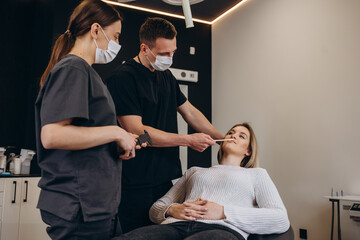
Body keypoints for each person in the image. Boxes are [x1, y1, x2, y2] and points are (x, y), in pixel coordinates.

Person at [34, 1, 144, 239]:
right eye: (115, 36)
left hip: (95, 205)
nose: (117, 44)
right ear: (96, 30)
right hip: (79, 205)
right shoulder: (73, 68)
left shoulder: (85, 73)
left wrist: (119, 140)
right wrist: (116, 133)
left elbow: (84, 134)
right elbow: (52, 135)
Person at [106, 17, 224, 233]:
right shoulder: (123, 78)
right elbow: (137, 131)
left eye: (173, 52)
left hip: (163, 180)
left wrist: (221, 138)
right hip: (133, 182)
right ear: (144, 48)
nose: (170, 58)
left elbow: (190, 112)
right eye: (163, 54)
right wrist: (187, 140)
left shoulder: (167, 77)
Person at [116, 123, 290, 240]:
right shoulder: (195, 171)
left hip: (222, 231)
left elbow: (280, 219)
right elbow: (155, 210)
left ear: (248, 152)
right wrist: (172, 209)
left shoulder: (256, 175)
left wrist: (223, 212)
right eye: (231, 132)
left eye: (242, 136)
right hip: (175, 226)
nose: (233, 135)